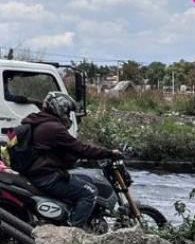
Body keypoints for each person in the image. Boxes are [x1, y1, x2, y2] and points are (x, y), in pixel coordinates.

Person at [21, 91, 122, 228]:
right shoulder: (53, 128)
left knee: (77, 177)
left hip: (36, 171)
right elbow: (80, 148)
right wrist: (109, 153)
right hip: (46, 176)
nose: (68, 115)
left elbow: (58, 150)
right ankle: (73, 232)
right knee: (89, 192)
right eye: (67, 111)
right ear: (59, 108)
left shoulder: (39, 120)